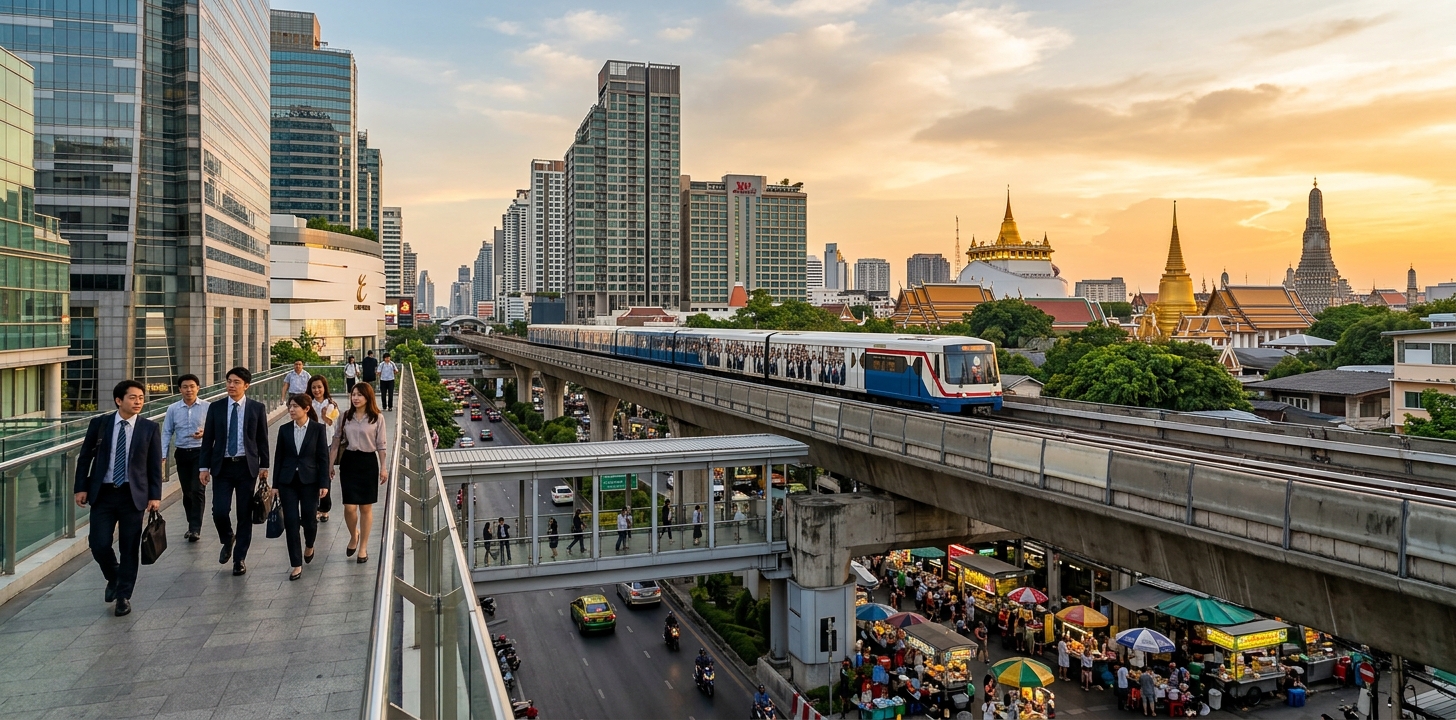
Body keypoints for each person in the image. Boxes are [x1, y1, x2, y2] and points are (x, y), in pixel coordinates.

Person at [74, 380, 163, 617]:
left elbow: (154, 464)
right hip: (103, 493)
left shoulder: (149, 428)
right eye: (133, 398)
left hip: (132, 495)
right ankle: (113, 575)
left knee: (129, 547)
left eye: (141, 398)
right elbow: (84, 458)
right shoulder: (100, 424)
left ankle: (124, 595)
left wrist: (155, 495)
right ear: (118, 400)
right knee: (98, 543)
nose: (138, 402)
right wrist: (80, 487)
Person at [199, 366, 270, 577]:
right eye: (229, 381)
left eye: (236, 382)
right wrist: (204, 467)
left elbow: (262, 439)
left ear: (246, 385)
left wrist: (264, 466)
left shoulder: (257, 408)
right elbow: (208, 439)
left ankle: (239, 558)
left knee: (244, 513)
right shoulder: (216, 407)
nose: (231, 385)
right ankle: (228, 537)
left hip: (246, 467)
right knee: (219, 511)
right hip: (222, 466)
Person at [271, 395, 330, 581]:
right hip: (287, 481)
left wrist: (324, 483)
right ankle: (296, 563)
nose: (291, 410)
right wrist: (274, 485)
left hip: (310, 481)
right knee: (291, 522)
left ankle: (310, 544)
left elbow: (323, 457)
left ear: (306, 408)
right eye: (290, 406)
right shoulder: (284, 429)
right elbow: (279, 457)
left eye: (295, 406)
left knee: (309, 519)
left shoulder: (317, 429)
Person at [330, 382, 388, 563]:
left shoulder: (377, 418)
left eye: (359, 395)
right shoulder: (345, 416)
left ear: (368, 397)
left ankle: (363, 547)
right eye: (353, 394)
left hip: (368, 462)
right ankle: (353, 535)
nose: (355, 398)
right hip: (349, 461)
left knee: (365, 507)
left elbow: (381, 445)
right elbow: (336, 441)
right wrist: (330, 465)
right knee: (349, 506)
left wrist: (384, 467)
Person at [161, 373, 209, 541]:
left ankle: (196, 528)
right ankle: (191, 524)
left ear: (198, 388)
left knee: (197, 490)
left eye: (192, 386)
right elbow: (167, 432)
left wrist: (204, 433)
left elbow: (216, 431)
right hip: (181, 453)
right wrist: (162, 454)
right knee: (187, 492)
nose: (189, 390)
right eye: (185, 387)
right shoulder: (173, 409)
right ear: (180, 389)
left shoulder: (207, 407)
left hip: (200, 452)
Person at [308, 375, 340, 524]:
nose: (317, 390)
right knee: (311, 475)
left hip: (327, 443)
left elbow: (333, 424)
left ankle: (324, 508)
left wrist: (324, 416)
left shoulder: (331, 404)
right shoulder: (307, 403)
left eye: (319, 387)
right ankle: (314, 507)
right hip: (310, 444)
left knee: (325, 475)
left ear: (324, 388)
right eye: (314, 387)